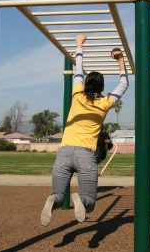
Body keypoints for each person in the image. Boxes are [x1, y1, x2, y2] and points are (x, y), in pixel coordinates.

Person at [41, 34, 129, 226]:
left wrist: (79, 45)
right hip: (85, 155)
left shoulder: (77, 95)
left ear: (85, 84)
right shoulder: (105, 103)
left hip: (64, 153)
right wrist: (120, 60)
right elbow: (124, 84)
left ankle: (52, 201)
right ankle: (80, 200)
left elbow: (78, 69)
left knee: (57, 195)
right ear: (102, 87)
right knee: (89, 201)